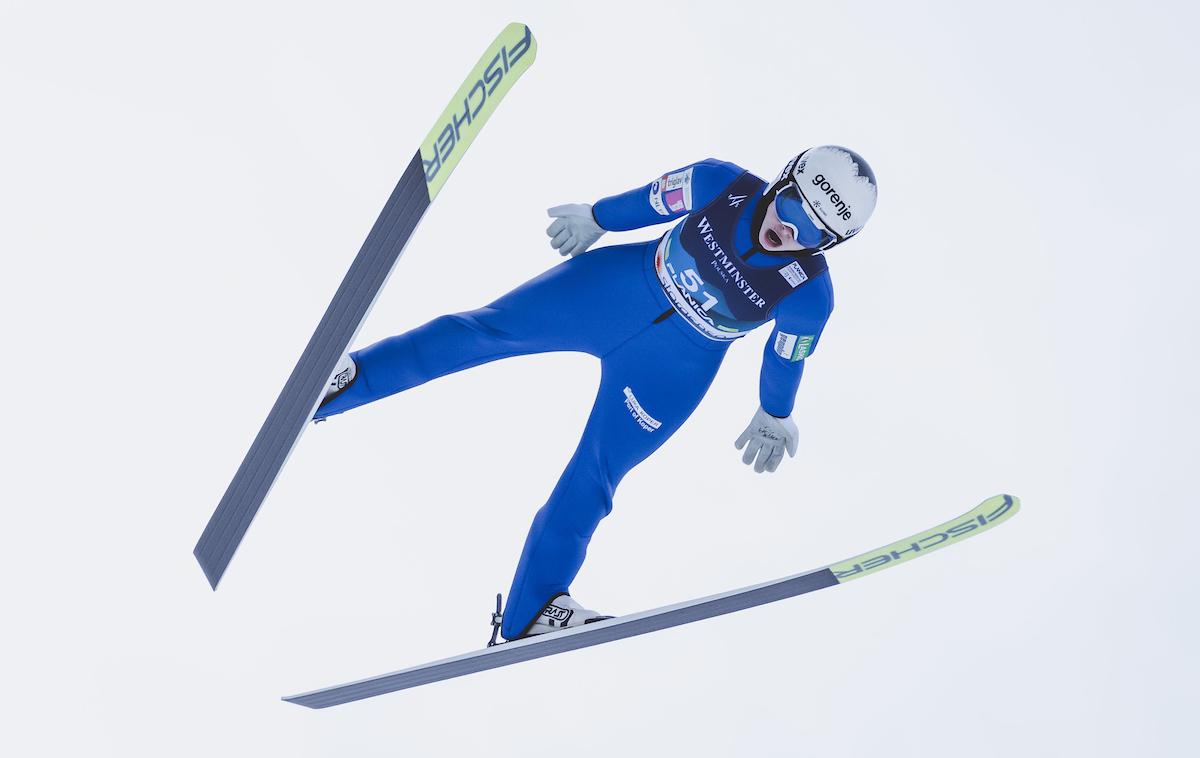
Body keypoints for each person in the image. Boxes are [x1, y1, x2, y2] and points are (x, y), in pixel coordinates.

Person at [314, 145, 878, 642]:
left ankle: (531, 611)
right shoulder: (720, 184)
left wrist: (774, 411)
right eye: (791, 206)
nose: (790, 230)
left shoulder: (810, 296)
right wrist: (597, 217)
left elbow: (785, 356)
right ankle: (345, 382)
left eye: (812, 232)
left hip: (675, 367)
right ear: (780, 182)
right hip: (613, 289)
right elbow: (654, 201)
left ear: (830, 244)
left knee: (596, 475)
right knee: (481, 331)